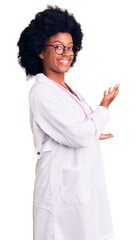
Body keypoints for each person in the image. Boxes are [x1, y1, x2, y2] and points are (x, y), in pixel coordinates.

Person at [17, 5, 120, 240]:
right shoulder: (42, 92)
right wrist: (103, 107)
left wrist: (94, 133)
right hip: (61, 194)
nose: (66, 53)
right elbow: (79, 134)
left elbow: (76, 128)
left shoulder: (66, 90)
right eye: (58, 47)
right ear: (40, 51)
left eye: (71, 47)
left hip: (82, 187)